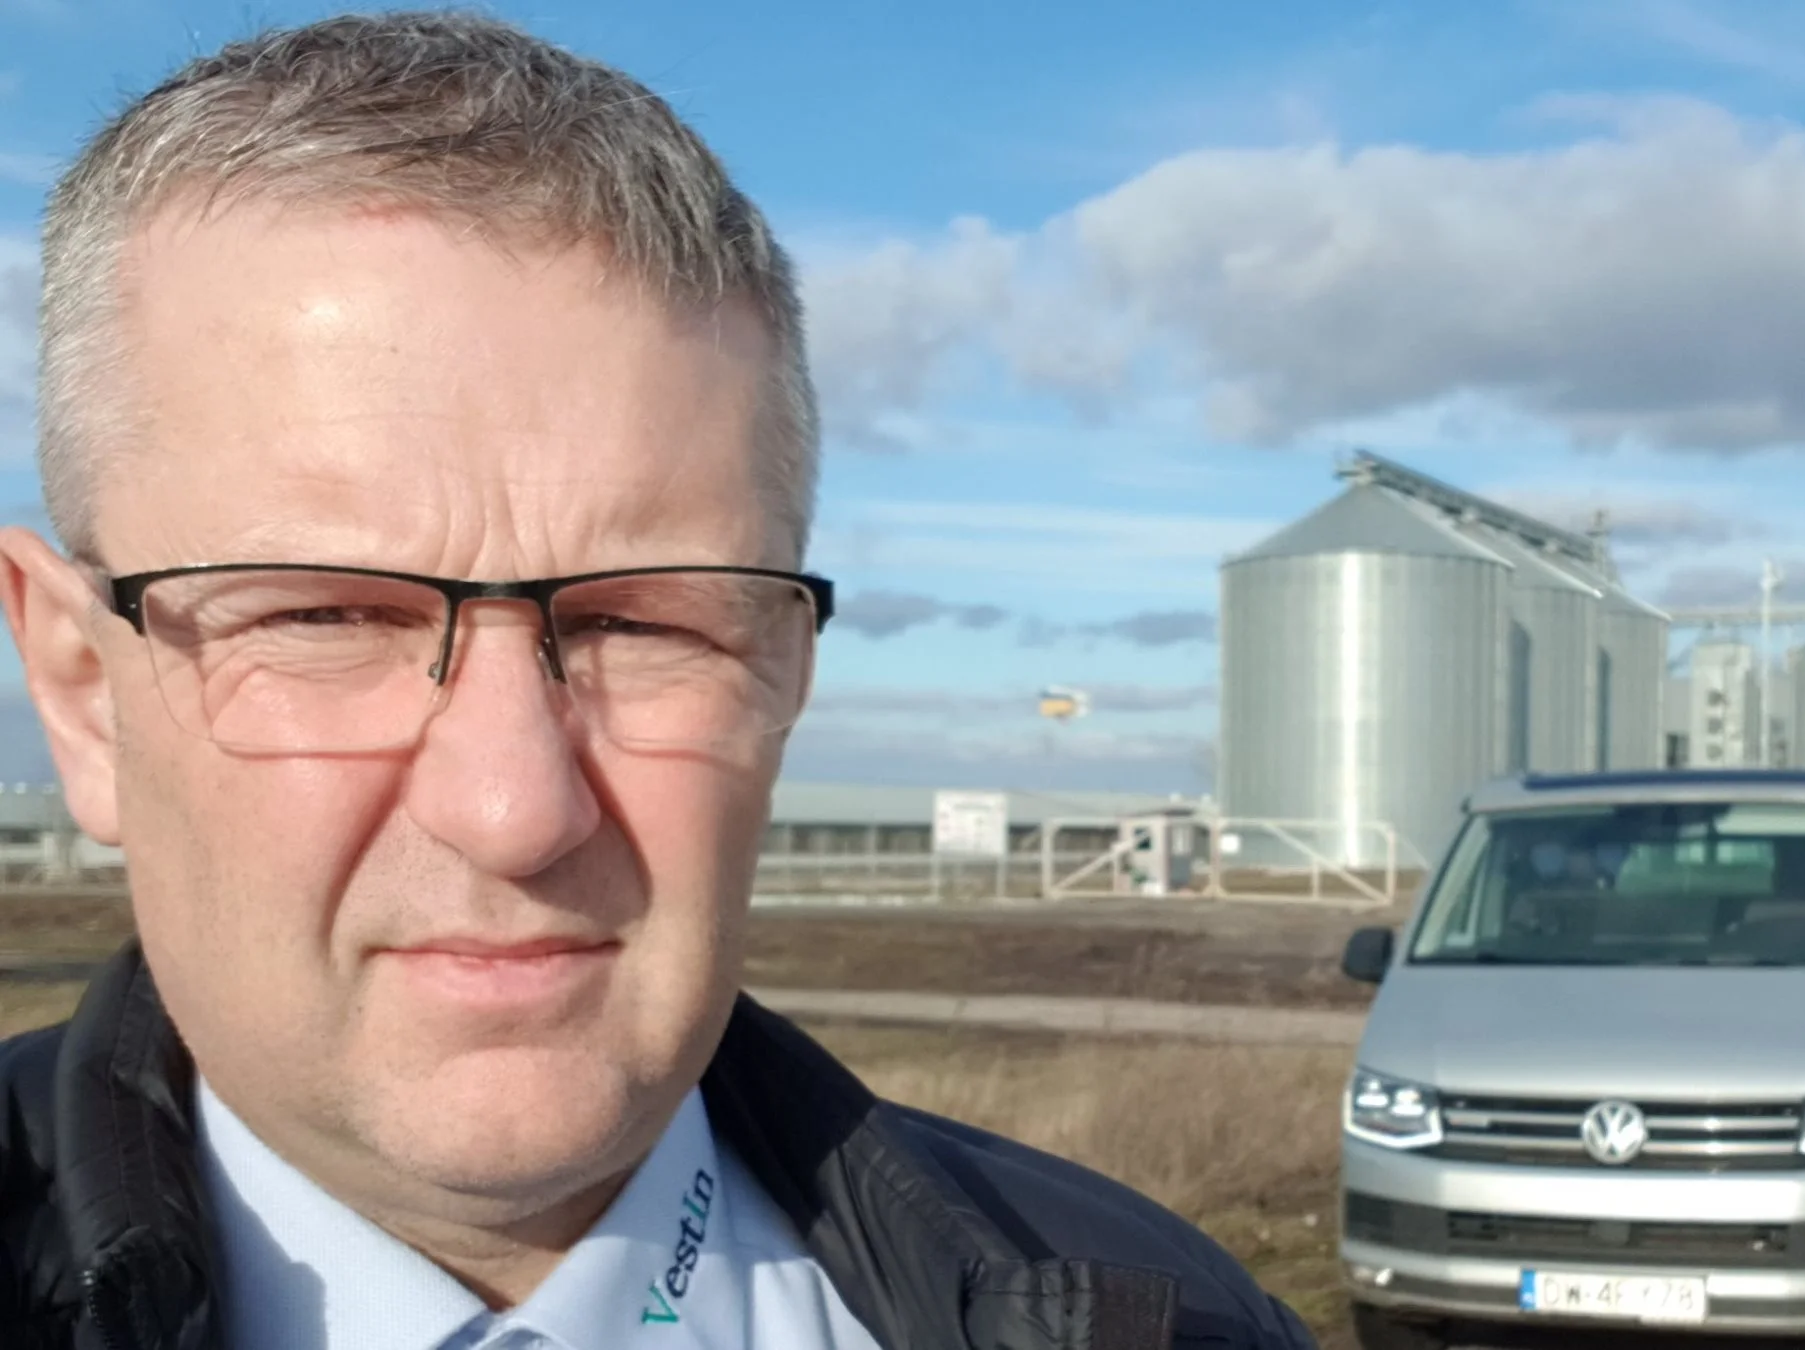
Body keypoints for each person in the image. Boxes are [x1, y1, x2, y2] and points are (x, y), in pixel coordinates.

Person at [0, 12, 1316, 1350]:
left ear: (786, 676)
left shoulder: (1180, 1313)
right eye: (330, 613)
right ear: (82, 689)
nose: (516, 806)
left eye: (647, 625)